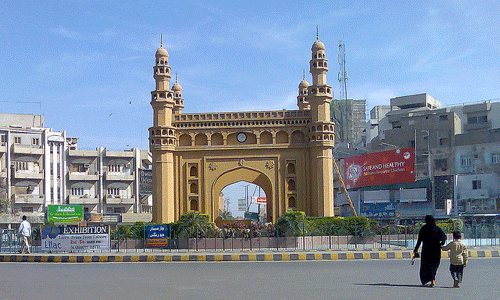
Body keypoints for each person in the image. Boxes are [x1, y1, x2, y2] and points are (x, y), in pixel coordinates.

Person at [413, 215, 446, 287]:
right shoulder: (437, 228)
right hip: (436, 250)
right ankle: (433, 278)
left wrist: (415, 250)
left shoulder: (423, 229)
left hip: (426, 250)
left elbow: (419, 240)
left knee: (426, 266)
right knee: (434, 265)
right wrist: (440, 244)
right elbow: (444, 238)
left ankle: (431, 279)